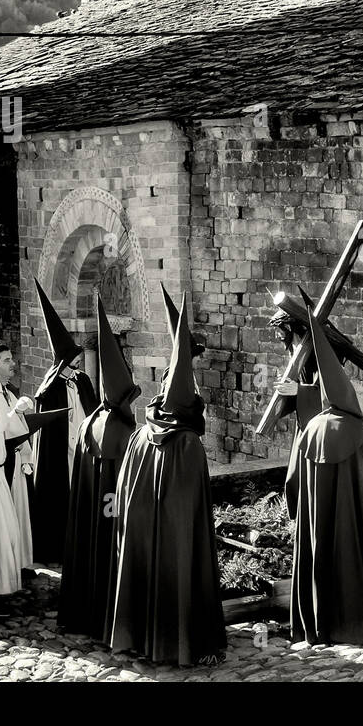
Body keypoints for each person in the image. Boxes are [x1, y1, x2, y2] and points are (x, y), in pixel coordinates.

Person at [111, 294, 226, 664]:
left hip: (144, 534)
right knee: (179, 572)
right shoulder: (189, 444)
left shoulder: (140, 436)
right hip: (177, 535)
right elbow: (194, 506)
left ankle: (143, 638)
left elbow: (125, 492)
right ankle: (182, 642)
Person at [287, 308, 363, 645]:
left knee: (322, 563)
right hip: (355, 525)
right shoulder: (359, 430)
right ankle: (359, 621)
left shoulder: (311, 430)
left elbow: (292, 481)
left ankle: (321, 625)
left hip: (319, 523)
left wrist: (302, 512)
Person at [60, 296, 139, 641]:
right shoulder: (122, 430)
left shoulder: (91, 420)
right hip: (112, 514)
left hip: (91, 510)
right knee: (109, 561)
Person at [30, 279, 99, 564]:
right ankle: (59, 546)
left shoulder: (82, 381)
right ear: (62, 365)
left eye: (80, 363)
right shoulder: (49, 391)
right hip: (61, 454)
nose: (78, 368)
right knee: (61, 498)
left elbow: (93, 409)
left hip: (82, 449)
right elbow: (46, 432)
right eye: (74, 364)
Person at [0, 342, 37, 578]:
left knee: (20, 514)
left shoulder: (9, 393)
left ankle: (21, 563)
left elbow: (17, 427)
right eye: (6, 360)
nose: (13, 364)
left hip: (17, 460)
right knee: (7, 519)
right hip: (0, 464)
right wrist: (16, 413)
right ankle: (9, 568)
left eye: (12, 359)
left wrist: (26, 455)